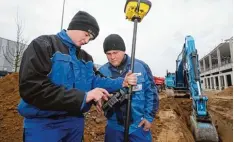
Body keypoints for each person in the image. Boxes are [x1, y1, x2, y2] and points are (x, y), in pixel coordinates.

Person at [17, 11, 137, 142]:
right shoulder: (44, 45)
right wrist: (85, 97)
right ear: (76, 26)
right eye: (86, 35)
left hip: (75, 124)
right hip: (44, 125)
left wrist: (122, 82)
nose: (86, 40)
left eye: (90, 39)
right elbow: (32, 88)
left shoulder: (86, 58)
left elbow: (96, 80)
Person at [99, 34, 159, 142]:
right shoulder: (102, 72)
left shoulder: (141, 66)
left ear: (124, 50)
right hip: (114, 128)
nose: (112, 57)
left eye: (115, 53)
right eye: (108, 54)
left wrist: (149, 118)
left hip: (138, 126)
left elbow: (151, 93)